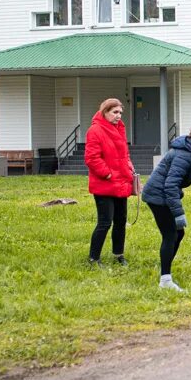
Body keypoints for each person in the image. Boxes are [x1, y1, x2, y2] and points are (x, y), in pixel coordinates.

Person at [141, 123, 191, 291]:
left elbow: (190, 171)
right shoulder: (184, 155)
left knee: (178, 233)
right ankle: (165, 281)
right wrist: (178, 214)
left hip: (163, 194)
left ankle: (165, 270)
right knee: (171, 234)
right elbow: (170, 185)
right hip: (158, 195)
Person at [84, 98, 136, 266]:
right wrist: (107, 174)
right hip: (105, 185)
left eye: (120, 112)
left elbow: (124, 154)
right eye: (115, 112)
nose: (118, 116)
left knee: (120, 222)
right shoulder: (95, 130)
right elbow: (92, 158)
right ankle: (93, 258)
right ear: (104, 112)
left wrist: (129, 168)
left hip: (121, 182)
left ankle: (118, 254)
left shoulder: (120, 129)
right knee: (105, 222)